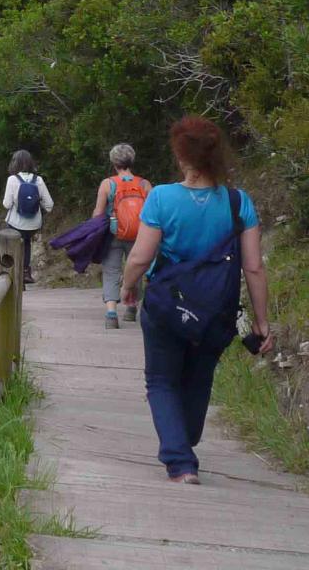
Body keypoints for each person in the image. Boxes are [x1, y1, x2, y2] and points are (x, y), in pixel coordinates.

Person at [120, 115, 272, 485]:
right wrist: (262, 320)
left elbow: (141, 256)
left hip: (167, 307)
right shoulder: (238, 203)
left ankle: (180, 460)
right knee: (199, 376)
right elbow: (253, 268)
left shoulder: (163, 197)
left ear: (181, 155)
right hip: (216, 310)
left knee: (161, 380)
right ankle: (183, 440)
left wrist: (127, 287)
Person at [92, 143, 151, 328]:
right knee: (135, 269)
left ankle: (111, 313)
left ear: (113, 162)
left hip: (113, 234)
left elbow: (98, 213)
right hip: (139, 235)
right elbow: (152, 215)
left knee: (111, 271)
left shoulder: (108, 184)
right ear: (131, 161)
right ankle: (131, 308)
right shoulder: (144, 184)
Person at [2, 149, 54, 286]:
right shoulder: (39, 180)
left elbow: (7, 204)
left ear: (14, 163)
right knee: (26, 242)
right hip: (33, 224)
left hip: (15, 223)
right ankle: (25, 271)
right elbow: (49, 205)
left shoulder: (12, 180)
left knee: (12, 243)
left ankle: (12, 273)